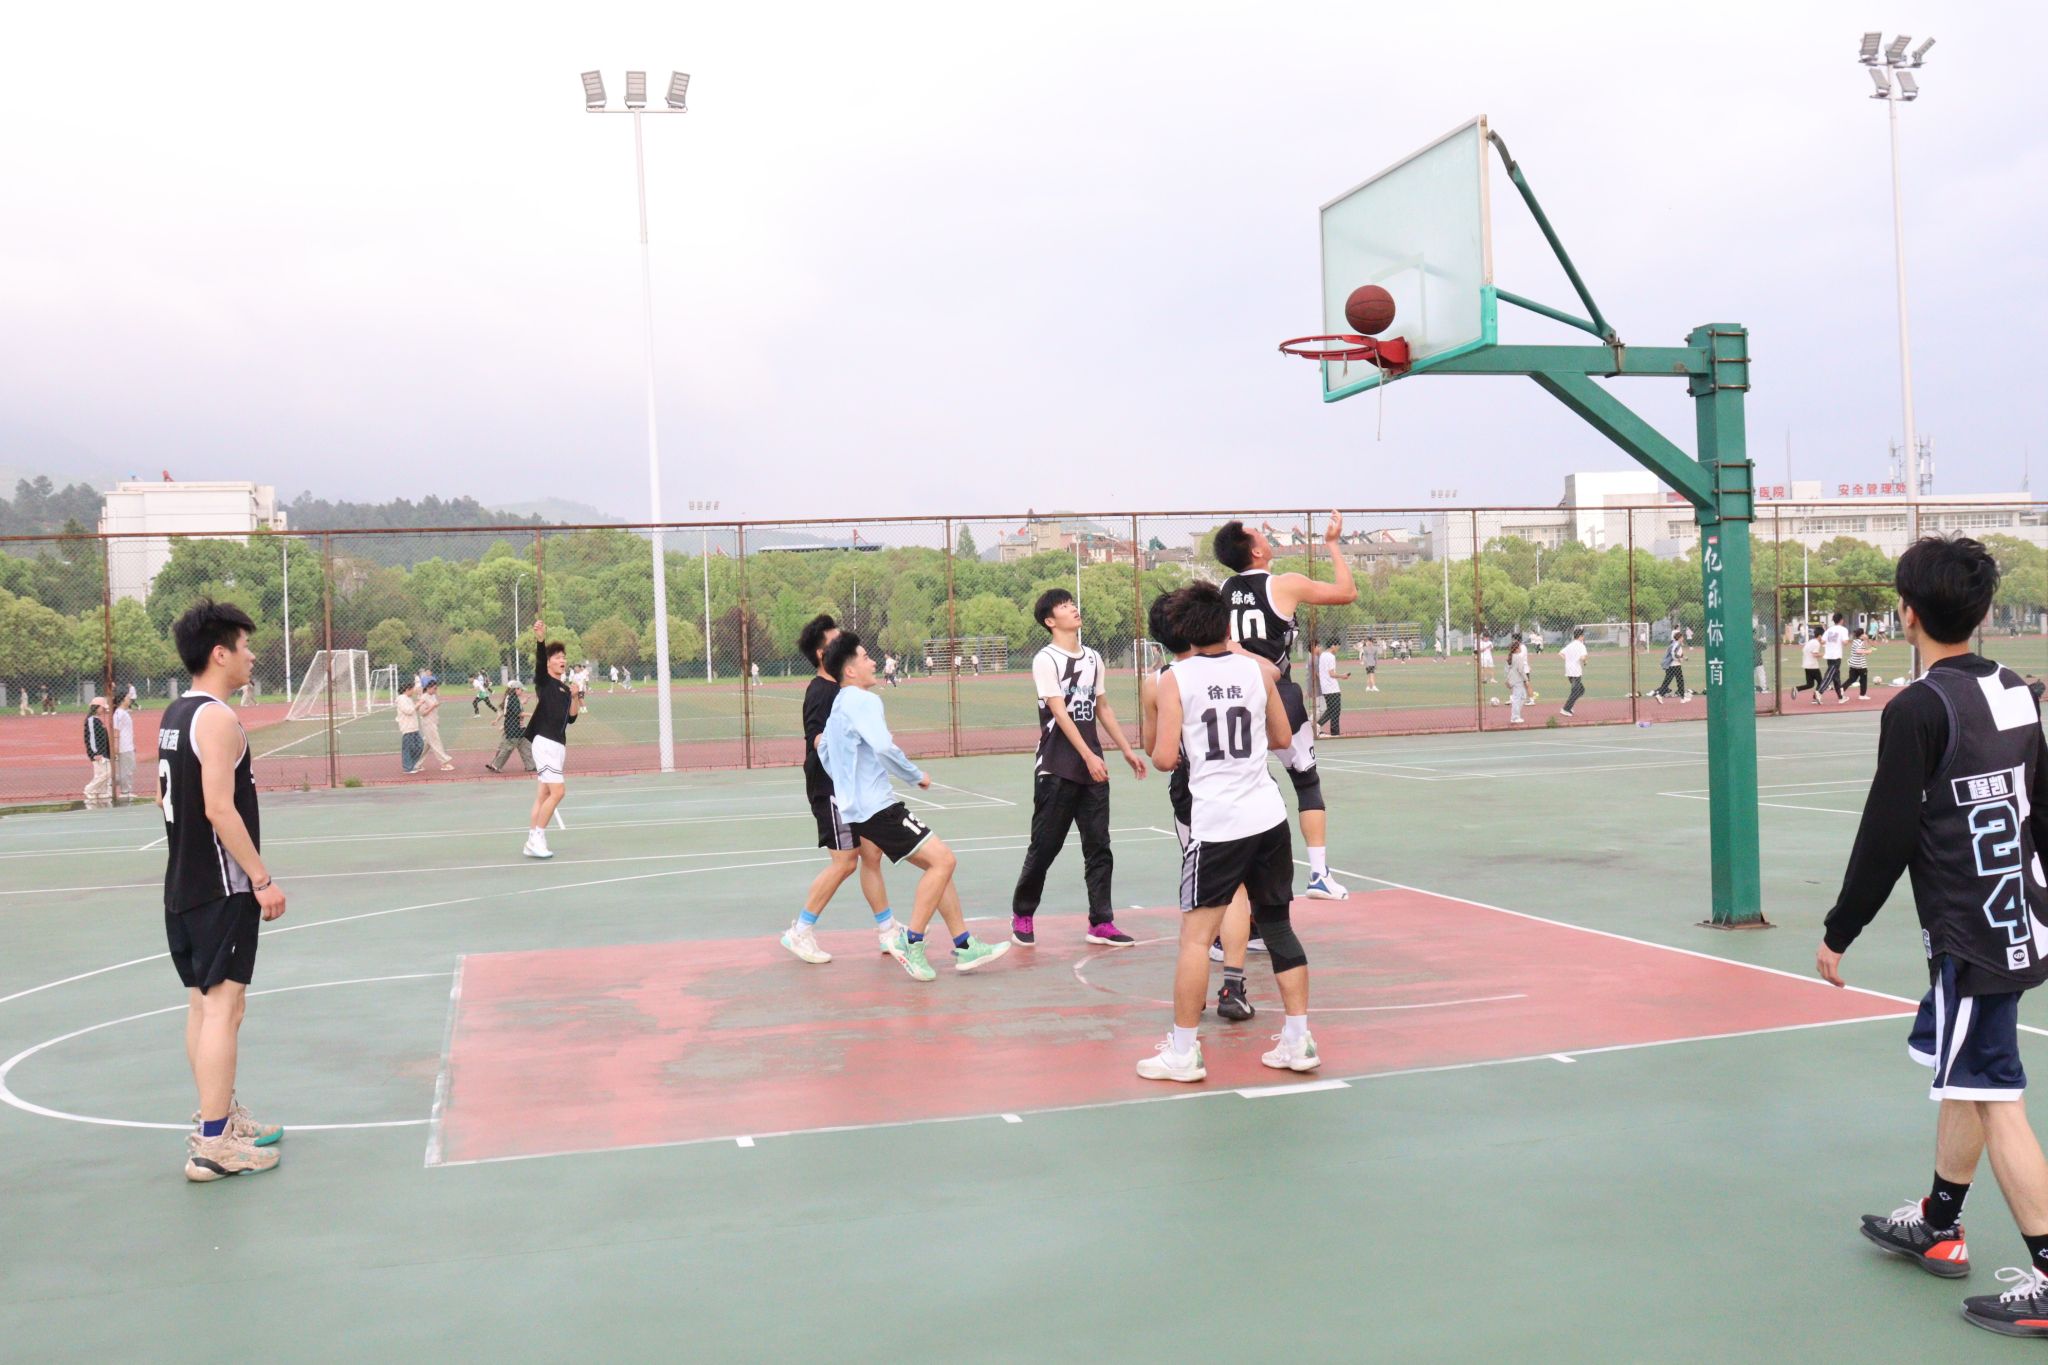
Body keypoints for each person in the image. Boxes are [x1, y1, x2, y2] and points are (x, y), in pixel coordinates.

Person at [1817, 535, 2048, 1337]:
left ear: (1907, 613)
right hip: (2014, 919)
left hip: (1970, 931)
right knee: (1967, 1075)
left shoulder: (1917, 708)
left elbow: (1887, 833)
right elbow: (2043, 807)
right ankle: (1939, 1224)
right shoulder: (2015, 690)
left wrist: (1840, 929)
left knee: (1994, 1093)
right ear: (1981, 614)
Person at [1137, 582, 1317, 1082]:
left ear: (1183, 632)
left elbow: (1163, 757)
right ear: (1226, 624)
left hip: (1217, 822)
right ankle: (1299, 1040)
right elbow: (1281, 737)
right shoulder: (1258, 671)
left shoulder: (1174, 678)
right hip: (1268, 815)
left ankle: (1182, 1052)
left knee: (1196, 940)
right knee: (1277, 926)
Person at [158, 598, 286, 1181]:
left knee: (204, 1005)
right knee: (224, 1006)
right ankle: (213, 1145)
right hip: (221, 885)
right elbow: (218, 807)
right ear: (220, 653)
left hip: (183, 884)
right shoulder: (217, 719)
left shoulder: (176, 713)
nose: (251, 655)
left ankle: (220, 1117)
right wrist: (261, 877)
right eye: (244, 646)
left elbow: (171, 799)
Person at [819, 631, 1009, 981]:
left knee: (938, 867)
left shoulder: (838, 707)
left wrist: (849, 788)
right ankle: (912, 942)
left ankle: (965, 945)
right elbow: (883, 747)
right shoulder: (863, 701)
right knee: (944, 860)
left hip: (861, 811)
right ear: (850, 671)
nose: (874, 662)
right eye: (865, 658)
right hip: (879, 808)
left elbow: (825, 753)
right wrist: (914, 774)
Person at [1214, 514, 1356, 899]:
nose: (1264, 534)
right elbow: (1346, 591)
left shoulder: (1220, 592)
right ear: (1257, 552)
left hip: (1233, 699)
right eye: (1257, 534)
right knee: (1306, 781)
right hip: (1278, 693)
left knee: (1244, 785)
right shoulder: (1283, 584)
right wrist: (1332, 544)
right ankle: (1319, 874)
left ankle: (1238, 885)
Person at [1140, 590, 1260, 1022]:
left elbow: (1155, 750)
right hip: (1246, 786)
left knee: (1201, 899)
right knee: (1237, 887)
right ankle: (1234, 984)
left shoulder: (1161, 680)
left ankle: (1192, 1005)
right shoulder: (1243, 668)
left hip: (1195, 790)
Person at [1008, 588, 1146, 948]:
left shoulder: (1094, 659)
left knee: (1099, 846)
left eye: (1072, 603)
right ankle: (1023, 912)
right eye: (1064, 606)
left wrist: (1126, 750)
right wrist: (1087, 756)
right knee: (1045, 846)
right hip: (1057, 766)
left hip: (1093, 767)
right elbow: (1058, 711)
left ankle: (1101, 921)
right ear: (1050, 621)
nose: (1073, 609)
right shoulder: (1046, 660)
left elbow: (1103, 708)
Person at [780, 614, 897, 965]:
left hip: (856, 789)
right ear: (822, 654)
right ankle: (800, 931)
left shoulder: (846, 691)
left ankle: (888, 931)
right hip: (831, 787)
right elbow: (818, 739)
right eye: (835, 641)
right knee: (845, 861)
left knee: (872, 854)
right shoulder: (821, 692)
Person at [523, 620, 581, 858]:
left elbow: (572, 718)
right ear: (549, 662)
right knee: (558, 792)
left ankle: (531, 840)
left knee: (544, 794)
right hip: (545, 743)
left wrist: (575, 696)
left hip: (558, 745)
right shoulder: (545, 682)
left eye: (563, 657)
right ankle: (537, 838)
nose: (562, 660)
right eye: (557, 657)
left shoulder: (565, 689)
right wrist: (540, 639)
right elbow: (539, 663)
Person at [484, 682, 534, 773]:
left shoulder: (512, 698)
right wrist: (532, 714)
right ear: (516, 689)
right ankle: (495, 766)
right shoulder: (512, 699)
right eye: (521, 689)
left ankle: (531, 766)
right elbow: (518, 713)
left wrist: (524, 701)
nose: (522, 691)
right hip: (514, 728)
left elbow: (516, 707)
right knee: (507, 748)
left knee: (525, 746)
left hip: (519, 728)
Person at [417, 677, 454, 771]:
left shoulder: (433, 696)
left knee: (426, 745)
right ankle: (444, 763)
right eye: (434, 688)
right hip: (427, 723)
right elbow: (422, 713)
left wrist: (436, 721)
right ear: (428, 688)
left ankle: (416, 763)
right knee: (436, 743)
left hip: (433, 722)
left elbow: (434, 711)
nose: (435, 690)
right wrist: (433, 706)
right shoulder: (423, 697)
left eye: (436, 688)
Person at [1314, 640, 1350, 736]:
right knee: (1334, 710)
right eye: (1338, 647)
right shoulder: (1331, 656)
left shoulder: (1322, 655)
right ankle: (1319, 726)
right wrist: (1343, 676)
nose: (1338, 649)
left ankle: (1334, 732)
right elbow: (1331, 674)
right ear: (1333, 646)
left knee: (1333, 710)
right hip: (1332, 687)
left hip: (1325, 687)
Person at [83, 697, 114, 806]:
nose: (104, 710)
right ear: (96, 707)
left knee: (100, 773)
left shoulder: (97, 720)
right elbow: (91, 738)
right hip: (98, 753)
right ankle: (90, 789)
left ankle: (100, 792)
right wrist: (95, 753)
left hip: (103, 752)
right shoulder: (92, 720)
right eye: (102, 708)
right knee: (107, 772)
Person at [112, 686, 138, 799]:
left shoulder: (123, 712)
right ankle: (125, 791)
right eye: (128, 698)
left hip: (128, 745)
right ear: (122, 700)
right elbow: (116, 731)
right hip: (124, 746)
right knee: (126, 770)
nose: (130, 700)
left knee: (130, 768)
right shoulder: (118, 714)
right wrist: (116, 746)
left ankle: (111, 783)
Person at [1820, 611, 1851, 704]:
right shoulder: (1843, 630)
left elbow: (1822, 641)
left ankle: (1840, 697)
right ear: (1841, 620)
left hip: (1829, 655)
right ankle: (1819, 692)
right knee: (1830, 676)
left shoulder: (1829, 630)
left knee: (1836, 677)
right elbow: (1845, 643)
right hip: (1836, 655)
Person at [394, 679, 423, 774]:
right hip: (407, 727)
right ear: (407, 689)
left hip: (414, 727)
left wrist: (418, 703)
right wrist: (417, 704)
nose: (413, 691)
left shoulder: (408, 698)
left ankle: (412, 764)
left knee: (419, 745)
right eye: (412, 689)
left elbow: (413, 710)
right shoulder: (401, 699)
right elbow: (408, 711)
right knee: (408, 748)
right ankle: (407, 767)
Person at [1651, 631, 1687, 704]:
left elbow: (1678, 653)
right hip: (1674, 666)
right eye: (1682, 637)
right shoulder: (1676, 644)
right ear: (1679, 638)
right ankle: (1660, 695)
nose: (1683, 638)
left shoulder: (1676, 644)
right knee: (1677, 681)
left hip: (1674, 666)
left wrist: (1683, 657)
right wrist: (1679, 659)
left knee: (1674, 681)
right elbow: (1673, 653)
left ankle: (1682, 697)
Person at [1560, 626, 1588, 719]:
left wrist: (1568, 660)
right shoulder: (1581, 645)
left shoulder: (1570, 645)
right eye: (1583, 635)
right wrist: (1584, 661)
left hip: (1569, 671)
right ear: (1580, 636)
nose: (1583, 637)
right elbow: (1583, 657)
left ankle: (1569, 706)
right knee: (1576, 691)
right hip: (1576, 671)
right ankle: (1565, 709)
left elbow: (1560, 653)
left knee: (1580, 690)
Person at [1505, 633, 1531, 725]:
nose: (1520, 649)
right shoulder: (1518, 657)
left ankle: (1516, 715)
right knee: (1517, 698)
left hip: (1513, 680)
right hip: (1517, 680)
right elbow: (1521, 670)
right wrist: (1526, 680)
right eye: (1519, 648)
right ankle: (1515, 717)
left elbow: (1506, 670)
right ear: (1516, 649)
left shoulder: (1510, 657)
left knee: (1523, 696)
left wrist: (1507, 680)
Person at [1794, 630, 1824, 699]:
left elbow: (1804, 650)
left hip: (1806, 665)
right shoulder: (1816, 643)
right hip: (1813, 666)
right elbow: (1815, 654)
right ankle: (1816, 698)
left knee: (1810, 684)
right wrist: (1824, 655)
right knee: (1821, 683)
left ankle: (1797, 689)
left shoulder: (1810, 642)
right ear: (1820, 636)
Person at [1847, 626, 1873, 700]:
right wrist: (1868, 651)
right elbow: (1859, 651)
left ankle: (1842, 689)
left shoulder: (1856, 641)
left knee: (1851, 679)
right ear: (1861, 635)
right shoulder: (1859, 642)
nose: (1865, 634)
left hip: (1853, 664)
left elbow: (1867, 647)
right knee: (1863, 680)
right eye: (1864, 633)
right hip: (1861, 665)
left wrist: (1866, 640)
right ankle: (1862, 695)